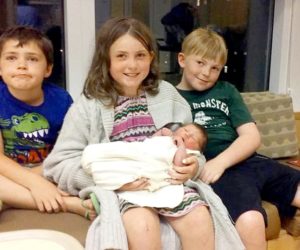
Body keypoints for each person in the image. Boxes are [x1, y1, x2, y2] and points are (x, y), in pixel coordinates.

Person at [43, 17, 245, 250]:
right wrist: (111, 179)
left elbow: (194, 149)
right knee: (142, 226)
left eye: (140, 55)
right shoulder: (89, 105)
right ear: (106, 58)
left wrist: (192, 166)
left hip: (168, 184)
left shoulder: (168, 95)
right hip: (125, 191)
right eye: (121, 56)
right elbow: (58, 165)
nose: (132, 65)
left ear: (151, 56)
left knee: (200, 217)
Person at [176, 27, 300, 250]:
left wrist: (221, 161)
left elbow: (251, 137)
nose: (206, 73)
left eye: (215, 68)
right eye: (200, 63)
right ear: (182, 59)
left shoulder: (226, 90)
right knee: (251, 220)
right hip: (221, 173)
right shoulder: (170, 97)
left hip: (248, 161)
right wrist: (214, 165)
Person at [0, 26, 96, 220]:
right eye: (11, 58)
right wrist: (34, 184)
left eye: (32, 59)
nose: (21, 65)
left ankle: (14, 197)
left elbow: (68, 150)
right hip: (8, 173)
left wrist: (39, 178)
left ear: (48, 69)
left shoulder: (60, 99)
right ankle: (69, 204)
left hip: (49, 169)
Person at [81, 123, 207, 209]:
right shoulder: (168, 138)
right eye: (185, 130)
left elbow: (179, 164)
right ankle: (96, 166)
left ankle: (103, 190)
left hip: (152, 168)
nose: (187, 135)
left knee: (122, 172)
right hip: (139, 152)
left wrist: (181, 147)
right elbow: (151, 141)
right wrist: (162, 132)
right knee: (112, 153)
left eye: (193, 138)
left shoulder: (187, 152)